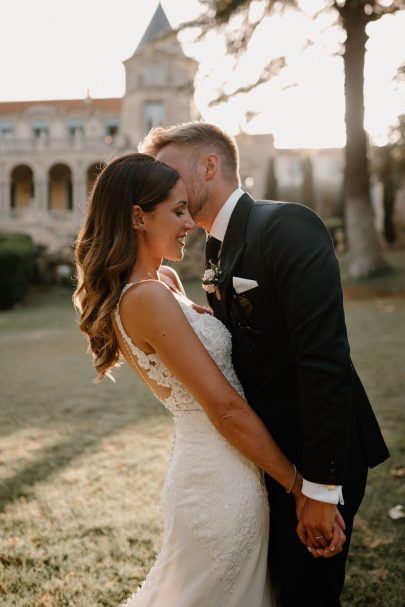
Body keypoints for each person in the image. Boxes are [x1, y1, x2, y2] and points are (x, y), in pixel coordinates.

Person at [73, 152, 345, 607]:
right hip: (216, 481)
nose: (190, 223)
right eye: (178, 211)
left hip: (231, 468)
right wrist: (301, 488)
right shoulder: (145, 299)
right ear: (138, 217)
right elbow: (224, 409)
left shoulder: (159, 285)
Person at [140, 123, 390, 607]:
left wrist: (319, 488)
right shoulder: (214, 248)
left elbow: (324, 360)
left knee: (308, 594)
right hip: (268, 462)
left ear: (209, 165)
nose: (160, 187)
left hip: (317, 455)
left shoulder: (286, 225)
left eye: (168, 173)